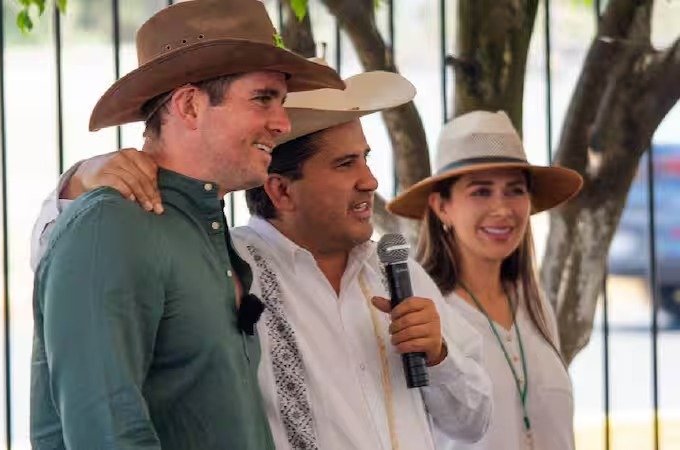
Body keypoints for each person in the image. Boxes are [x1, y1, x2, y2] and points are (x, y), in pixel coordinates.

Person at [32, 68, 493, 450]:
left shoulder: (396, 273)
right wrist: (78, 184)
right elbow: (70, 262)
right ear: (281, 190)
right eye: (345, 164)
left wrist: (439, 356)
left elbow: (473, 424)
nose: (370, 181)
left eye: (366, 159)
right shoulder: (232, 262)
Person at [29, 0, 344, 448]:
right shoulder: (111, 225)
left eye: (282, 102)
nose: (282, 123)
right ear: (190, 106)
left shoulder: (202, 228)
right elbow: (108, 435)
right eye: (263, 99)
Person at [387, 110, 583, 450]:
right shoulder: (425, 312)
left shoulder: (534, 304)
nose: (502, 209)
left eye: (515, 190)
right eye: (481, 192)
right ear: (442, 207)